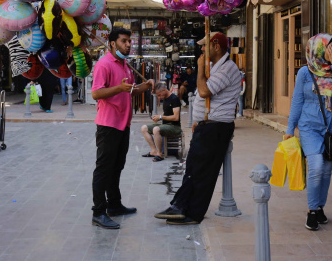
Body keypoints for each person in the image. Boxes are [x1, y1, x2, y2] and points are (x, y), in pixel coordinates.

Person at [155, 32, 241, 225]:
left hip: (216, 127)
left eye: (205, 46)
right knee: (194, 168)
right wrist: (197, 119)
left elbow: (203, 91)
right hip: (207, 125)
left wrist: (201, 68)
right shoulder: (216, 68)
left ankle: (191, 212)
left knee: (202, 171)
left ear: (216, 46)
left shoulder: (227, 69)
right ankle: (181, 206)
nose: (201, 49)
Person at [284, 34, 332, 231]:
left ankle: (320, 207)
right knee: (316, 166)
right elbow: (297, 101)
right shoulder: (305, 72)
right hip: (309, 127)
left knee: (327, 171)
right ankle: (312, 210)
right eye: (331, 48)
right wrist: (289, 129)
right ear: (319, 50)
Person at [90, 27, 154, 229]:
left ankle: (114, 205)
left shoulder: (125, 65)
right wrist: (119, 88)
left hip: (122, 124)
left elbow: (131, 91)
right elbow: (96, 94)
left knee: (116, 167)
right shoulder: (104, 64)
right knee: (104, 169)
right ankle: (98, 212)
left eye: (129, 41)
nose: (128, 44)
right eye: (124, 41)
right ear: (112, 43)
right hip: (108, 125)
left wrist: (146, 86)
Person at [140, 82, 182, 162]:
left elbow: (176, 117)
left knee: (156, 129)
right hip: (165, 125)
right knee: (144, 128)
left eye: (159, 95)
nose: (159, 97)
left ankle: (160, 154)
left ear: (164, 90)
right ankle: (154, 151)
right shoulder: (165, 99)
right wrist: (158, 118)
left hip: (174, 126)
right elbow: (166, 113)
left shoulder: (174, 99)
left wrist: (160, 117)